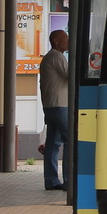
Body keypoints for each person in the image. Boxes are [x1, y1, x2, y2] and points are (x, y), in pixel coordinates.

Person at [39, 29, 69, 191]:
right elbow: (69, 74)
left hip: (50, 105)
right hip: (60, 105)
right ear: (56, 41)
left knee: (52, 143)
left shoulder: (48, 58)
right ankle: (68, 181)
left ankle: (51, 180)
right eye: (66, 39)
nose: (69, 41)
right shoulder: (57, 57)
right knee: (69, 141)